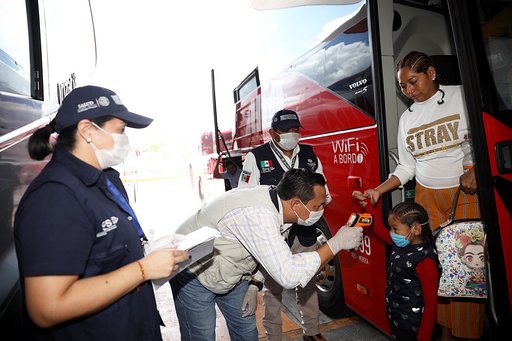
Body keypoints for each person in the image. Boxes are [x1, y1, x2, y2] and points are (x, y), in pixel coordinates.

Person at [13, 85, 189, 341]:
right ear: (87, 131)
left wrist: (146, 253)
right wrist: (142, 269)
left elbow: (101, 256)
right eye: (120, 131)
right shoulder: (55, 198)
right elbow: (47, 307)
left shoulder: (103, 181)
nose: (124, 140)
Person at [352, 51, 484, 340]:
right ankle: (443, 334)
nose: (409, 91)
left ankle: (469, 334)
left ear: (432, 73)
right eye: (403, 86)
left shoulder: (461, 96)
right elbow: (406, 166)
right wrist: (378, 189)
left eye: (413, 82)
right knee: (436, 270)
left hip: (462, 194)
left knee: (465, 270)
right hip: (426, 197)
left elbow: (480, 135)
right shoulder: (406, 119)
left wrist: (475, 166)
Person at [169, 168, 363, 341]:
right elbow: (288, 275)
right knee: (202, 335)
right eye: (317, 206)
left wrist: (254, 284)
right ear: (296, 204)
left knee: (247, 334)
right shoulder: (258, 216)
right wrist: (336, 243)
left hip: (232, 274)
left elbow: (269, 254)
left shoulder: (279, 203)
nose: (322, 210)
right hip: (193, 272)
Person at [238, 109, 331, 341]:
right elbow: (244, 197)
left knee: (308, 281)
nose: (292, 134)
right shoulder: (257, 156)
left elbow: (324, 191)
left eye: (295, 130)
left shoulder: (309, 155)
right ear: (273, 133)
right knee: (273, 288)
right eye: (286, 131)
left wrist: (319, 208)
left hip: (305, 230)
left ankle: (312, 331)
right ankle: (273, 336)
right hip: (273, 233)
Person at [377, 201, 440, 341]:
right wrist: (366, 207)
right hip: (398, 318)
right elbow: (380, 231)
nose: (391, 233)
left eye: (395, 229)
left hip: (415, 328)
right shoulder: (401, 245)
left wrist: (424, 336)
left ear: (416, 229)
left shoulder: (425, 261)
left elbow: (431, 303)